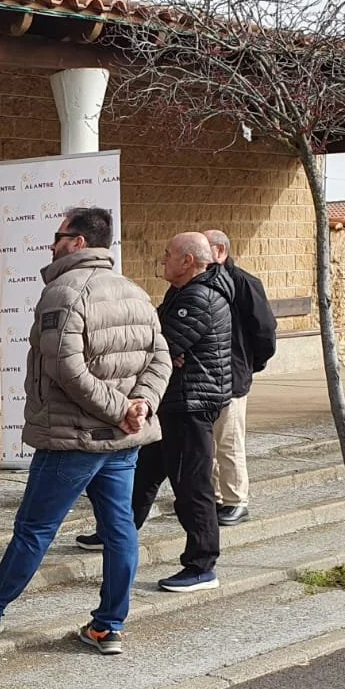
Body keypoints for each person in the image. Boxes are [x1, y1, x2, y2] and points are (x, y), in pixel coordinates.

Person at [0, 207, 170, 653]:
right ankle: (108, 626)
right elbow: (161, 359)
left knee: (34, 529)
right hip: (122, 439)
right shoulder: (135, 291)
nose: (52, 243)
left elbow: (64, 367)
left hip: (72, 439)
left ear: (78, 242)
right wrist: (141, 405)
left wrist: (123, 408)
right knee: (120, 532)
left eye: (58, 235)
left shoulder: (63, 291)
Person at [129, 232, 233, 592]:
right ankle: (118, 534)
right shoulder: (182, 293)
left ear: (188, 261)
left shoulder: (199, 297)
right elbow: (161, 347)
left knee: (192, 486)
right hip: (171, 402)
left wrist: (165, 356)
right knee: (143, 474)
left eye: (168, 254)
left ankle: (202, 565)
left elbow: (163, 346)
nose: (162, 259)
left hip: (189, 404)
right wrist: (164, 356)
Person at [203, 229, 278, 527]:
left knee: (229, 440)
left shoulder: (243, 282)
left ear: (220, 251)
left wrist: (249, 365)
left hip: (233, 374)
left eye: (204, 248)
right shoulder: (203, 282)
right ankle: (216, 496)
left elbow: (265, 331)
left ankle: (236, 500)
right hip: (207, 376)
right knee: (208, 442)